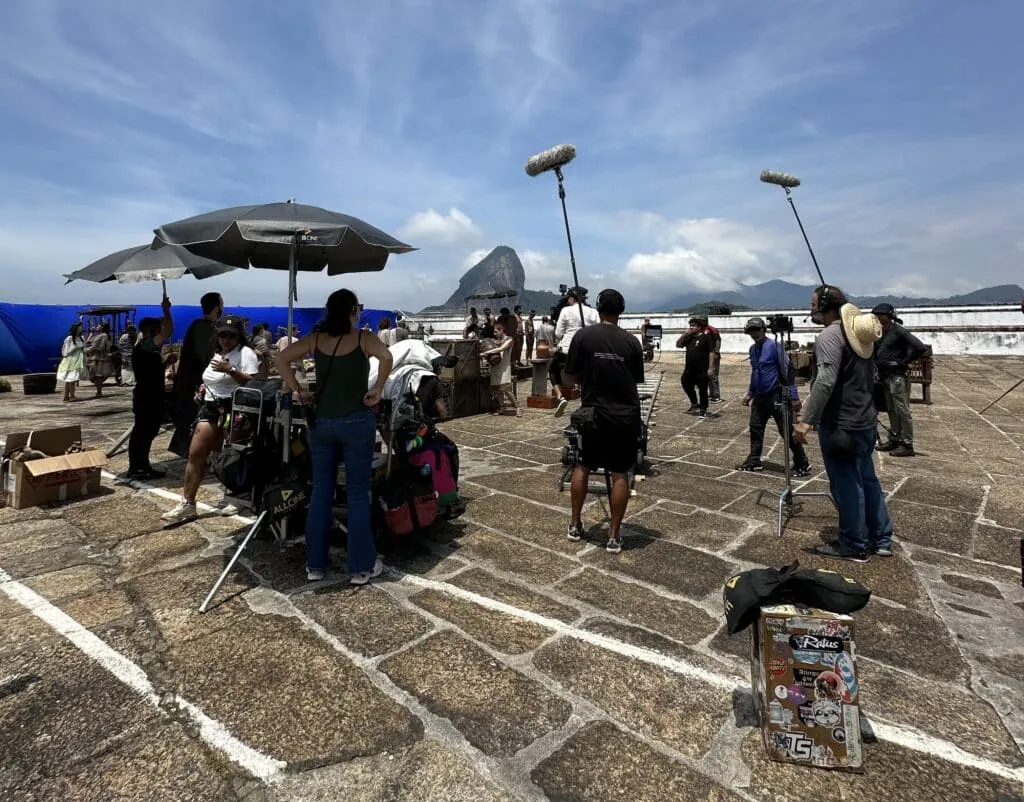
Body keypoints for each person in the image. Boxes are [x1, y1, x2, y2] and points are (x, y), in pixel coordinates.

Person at [277, 289, 393, 584]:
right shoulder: (363, 338)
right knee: (356, 494)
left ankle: (315, 565)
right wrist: (378, 388)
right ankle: (361, 567)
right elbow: (386, 355)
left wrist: (297, 389)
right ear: (353, 310)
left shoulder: (315, 339)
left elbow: (282, 359)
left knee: (320, 492)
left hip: (322, 424)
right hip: (356, 422)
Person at [794, 286, 892, 562]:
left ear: (825, 305)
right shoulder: (859, 337)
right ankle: (880, 538)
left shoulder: (829, 336)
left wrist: (806, 420)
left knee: (846, 484)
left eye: (813, 303)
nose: (810, 308)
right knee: (868, 480)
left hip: (841, 423)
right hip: (864, 419)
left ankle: (853, 543)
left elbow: (825, 381)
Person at [563, 289, 643, 554]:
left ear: (598, 309)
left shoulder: (583, 336)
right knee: (620, 473)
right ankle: (614, 535)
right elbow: (633, 379)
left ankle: (575, 524)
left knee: (582, 466)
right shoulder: (632, 342)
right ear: (621, 311)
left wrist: (589, 378)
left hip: (593, 415)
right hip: (624, 416)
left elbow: (570, 378)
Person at [162, 315, 259, 524]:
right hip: (210, 406)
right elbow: (212, 378)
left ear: (239, 336)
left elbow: (254, 383)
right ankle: (188, 503)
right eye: (223, 334)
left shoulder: (246, 354)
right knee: (196, 453)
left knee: (233, 457)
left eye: (231, 336)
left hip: (235, 408)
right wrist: (204, 388)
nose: (226, 339)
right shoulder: (217, 353)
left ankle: (238, 496)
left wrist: (231, 370)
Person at [737, 318, 811, 477]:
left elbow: (788, 371)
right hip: (760, 397)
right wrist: (750, 393)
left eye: (757, 330)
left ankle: (802, 462)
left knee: (787, 431)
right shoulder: (752, 349)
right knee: (755, 428)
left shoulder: (774, 347)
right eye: (751, 331)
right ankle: (754, 460)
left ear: (764, 330)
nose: (754, 333)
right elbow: (755, 372)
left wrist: (794, 396)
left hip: (777, 396)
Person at [124, 298, 173, 480]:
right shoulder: (145, 345)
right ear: (150, 330)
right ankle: (138, 467)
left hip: (152, 395)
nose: (162, 332)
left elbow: (150, 368)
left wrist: (165, 362)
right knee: (143, 432)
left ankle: (141, 465)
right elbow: (169, 331)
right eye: (158, 328)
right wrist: (167, 310)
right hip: (147, 397)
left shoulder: (147, 349)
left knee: (147, 432)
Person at [170, 292, 223, 457]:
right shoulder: (203, 327)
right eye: (221, 304)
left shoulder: (202, 326)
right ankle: (193, 454)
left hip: (197, 383)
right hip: (195, 384)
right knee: (195, 420)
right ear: (216, 307)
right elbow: (206, 357)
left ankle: (193, 452)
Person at [871, 303, 928, 457]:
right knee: (891, 409)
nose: (876, 318)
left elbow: (920, 347)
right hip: (884, 376)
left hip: (898, 376)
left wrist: (903, 362)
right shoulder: (878, 332)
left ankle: (907, 443)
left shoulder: (898, 331)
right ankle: (894, 438)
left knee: (902, 410)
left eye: (879, 316)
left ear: (887, 317)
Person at [552, 288, 600, 417]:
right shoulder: (593, 312)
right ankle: (587, 404)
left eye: (568, 298)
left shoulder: (566, 311)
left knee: (552, 369)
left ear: (572, 298)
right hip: (587, 351)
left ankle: (560, 396)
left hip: (568, 351)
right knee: (586, 378)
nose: (567, 300)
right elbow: (598, 331)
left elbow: (558, 333)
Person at [676, 315, 716, 417]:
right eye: (690, 325)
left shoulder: (706, 338)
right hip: (689, 369)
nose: (691, 327)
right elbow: (678, 345)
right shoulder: (689, 338)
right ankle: (694, 403)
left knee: (702, 390)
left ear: (699, 327)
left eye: (693, 325)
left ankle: (703, 408)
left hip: (702, 369)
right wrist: (684, 334)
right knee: (685, 383)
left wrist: (711, 368)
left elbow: (712, 352)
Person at [482, 316, 520, 416]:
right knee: (497, 390)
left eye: (496, 332)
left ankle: (517, 407)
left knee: (506, 389)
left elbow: (501, 349)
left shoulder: (509, 340)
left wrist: (487, 352)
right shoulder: (495, 341)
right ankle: (501, 407)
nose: (494, 334)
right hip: (495, 366)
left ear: (502, 330)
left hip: (504, 367)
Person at [57, 322, 87, 402]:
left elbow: (84, 348)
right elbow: (65, 351)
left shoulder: (81, 338)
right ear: (75, 328)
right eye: (79, 327)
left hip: (78, 360)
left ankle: (67, 396)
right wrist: (76, 347)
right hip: (71, 360)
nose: (81, 328)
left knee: (71, 379)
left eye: (81, 327)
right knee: (70, 379)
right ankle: (70, 396)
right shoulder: (69, 338)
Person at [85, 322, 115, 397]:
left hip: (98, 358)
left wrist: (87, 350)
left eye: (99, 325)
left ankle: (99, 392)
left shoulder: (103, 336)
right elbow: (88, 342)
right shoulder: (102, 336)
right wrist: (91, 333)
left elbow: (100, 347)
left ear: (102, 327)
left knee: (98, 375)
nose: (97, 327)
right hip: (98, 357)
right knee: (96, 375)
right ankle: (99, 391)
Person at [706, 319, 723, 403]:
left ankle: (716, 396)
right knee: (708, 376)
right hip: (706, 356)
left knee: (714, 376)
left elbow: (718, 340)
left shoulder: (712, 329)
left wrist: (716, 351)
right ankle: (711, 394)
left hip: (714, 356)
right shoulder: (702, 330)